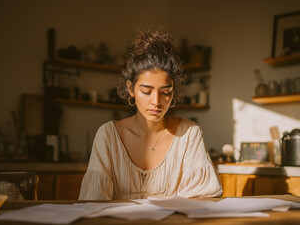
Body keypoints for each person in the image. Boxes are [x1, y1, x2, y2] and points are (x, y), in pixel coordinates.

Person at [78, 29, 222, 200]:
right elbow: (94, 202)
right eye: (146, 91)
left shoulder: (189, 133)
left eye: (166, 92)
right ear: (131, 88)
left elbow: (203, 197)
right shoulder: (108, 136)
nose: (156, 101)